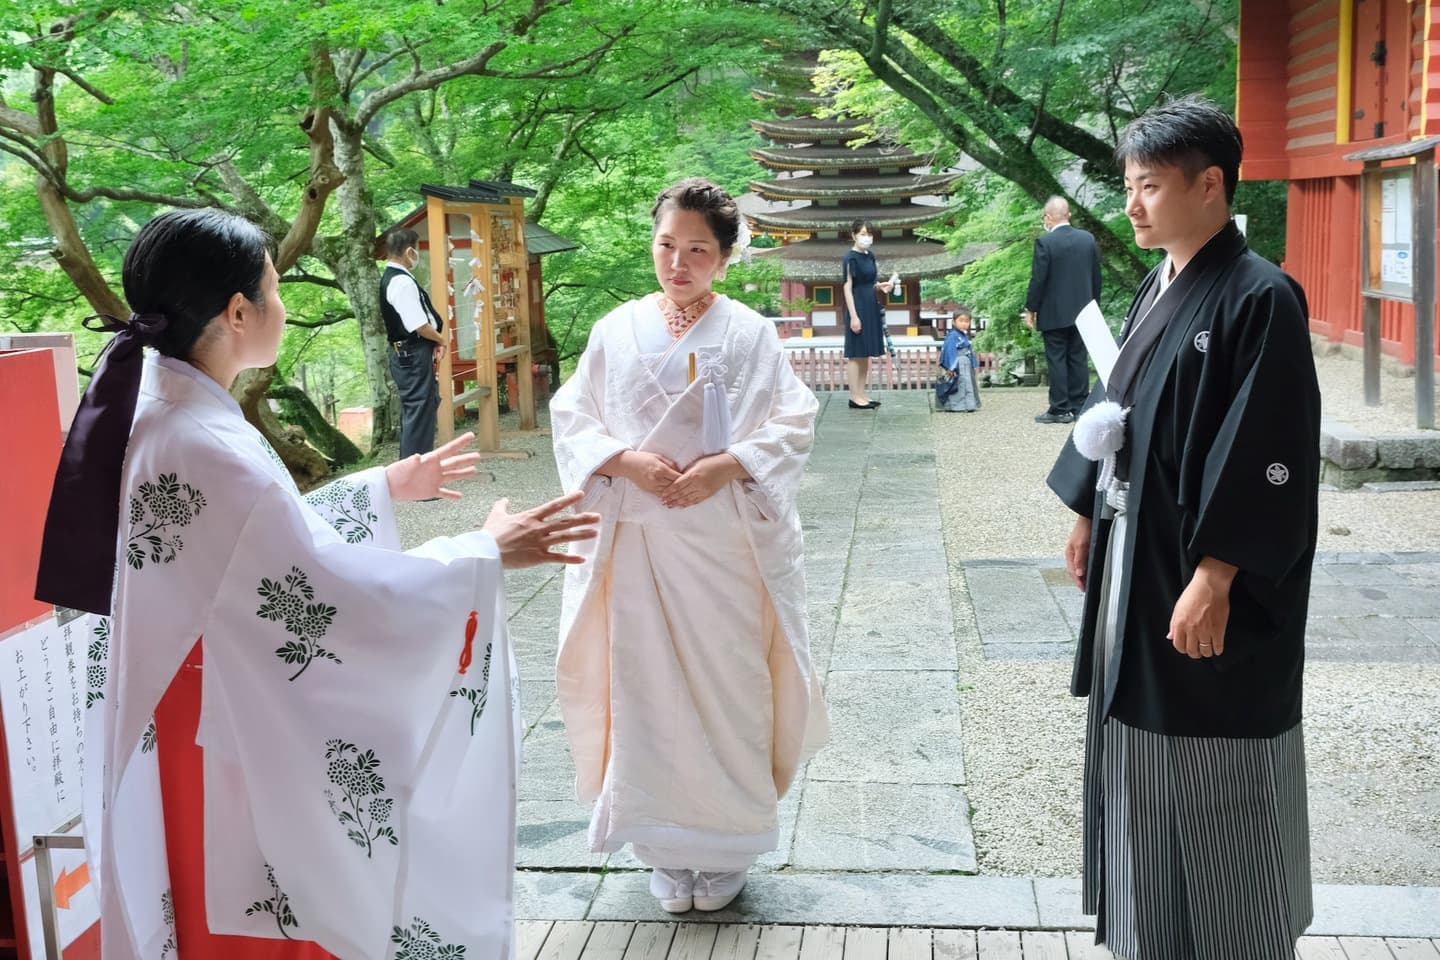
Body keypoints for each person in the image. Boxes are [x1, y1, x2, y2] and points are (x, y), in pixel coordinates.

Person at [33, 208, 599, 960]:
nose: (284, 304)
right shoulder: (203, 437)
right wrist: (481, 555)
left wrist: (375, 489)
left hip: (193, 700)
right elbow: (322, 591)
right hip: (228, 715)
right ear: (238, 312)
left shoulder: (169, 410)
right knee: (266, 921)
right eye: (274, 288)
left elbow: (252, 542)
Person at [1046, 96, 1319, 960]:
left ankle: (1235, 941)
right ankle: (1150, 933)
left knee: (1214, 752)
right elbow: (1118, 413)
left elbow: (1270, 448)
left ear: (1210, 186)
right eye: (1130, 186)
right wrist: (1091, 509)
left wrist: (1219, 574)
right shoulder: (1160, 284)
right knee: (1139, 734)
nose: (1132, 207)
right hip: (1138, 556)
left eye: (1150, 188)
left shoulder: (1260, 296)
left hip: (1197, 574)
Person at [550, 177, 829, 915]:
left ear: (727, 257)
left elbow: (793, 420)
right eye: (667, 245)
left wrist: (725, 466)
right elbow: (573, 416)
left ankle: (726, 845)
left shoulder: (751, 333)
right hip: (641, 541)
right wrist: (625, 460)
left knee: (729, 686)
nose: (678, 263)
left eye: (698, 249)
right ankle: (663, 848)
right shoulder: (616, 328)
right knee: (644, 691)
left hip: (724, 542)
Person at [1023, 196, 1101, 423]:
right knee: (1078, 357)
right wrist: (1094, 306)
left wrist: (1031, 308)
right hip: (1084, 311)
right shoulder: (1087, 239)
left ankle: (1059, 409)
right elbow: (1096, 276)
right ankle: (1079, 407)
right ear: (1069, 215)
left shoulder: (1045, 243)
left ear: (1048, 217)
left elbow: (1038, 279)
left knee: (1056, 359)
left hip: (1053, 312)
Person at [380, 227, 448, 458]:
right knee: (419, 409)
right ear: (409, 251)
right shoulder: (401, 282)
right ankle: (416, 476)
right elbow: (418, 324)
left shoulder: (396, 278)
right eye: (417, 250)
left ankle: (416, 472)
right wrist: (441, 339)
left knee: (421, 408)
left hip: (410, 353)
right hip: (412, 353)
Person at [840, 218, 895, 409]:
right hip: (857, 305)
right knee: (856, 354)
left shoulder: (870, 256)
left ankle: (862, 394)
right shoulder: (850, 258)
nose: (867, 237)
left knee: (866, 353)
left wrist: (882, 285)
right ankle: (854, 396)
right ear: (854, 235)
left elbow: (870, 282)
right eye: (863, 234)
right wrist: (854, 316)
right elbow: (848, 287)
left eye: (869, 234)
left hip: (871, 303)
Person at [935, 308, 981, 413]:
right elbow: (949, 350)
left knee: (966, 383)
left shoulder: (963, 335)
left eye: (967, 321)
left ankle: (967, 405)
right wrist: (951, 367)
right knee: (958, 384)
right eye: (961, 321)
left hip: (965, 363)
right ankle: (956, 406)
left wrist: (973, 363)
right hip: (957, 363)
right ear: (953, 321)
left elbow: (969, 351)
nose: (964, 324)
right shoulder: (952, 336)